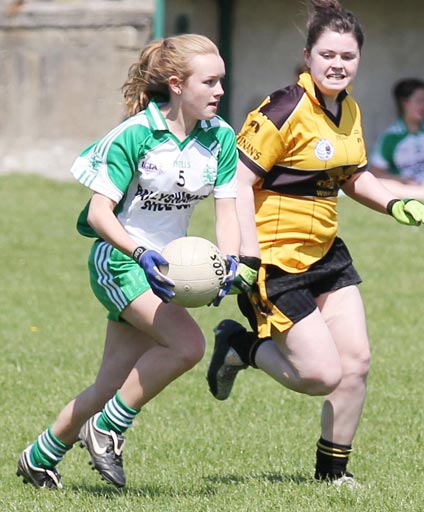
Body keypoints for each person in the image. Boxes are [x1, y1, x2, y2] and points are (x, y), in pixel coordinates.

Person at [206, 0, 424, 487]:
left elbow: (353, 175)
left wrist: (395, 203)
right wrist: (242, 258)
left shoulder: (348, 108)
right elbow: (236, 185)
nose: (337, 64)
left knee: (357, 363)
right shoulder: (283, 109)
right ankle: (239, 345)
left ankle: (332, 474)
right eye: (327, 54)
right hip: (273, 262)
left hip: (326, 256)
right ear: (308, 55)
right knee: (319, 375)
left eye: (348, 56)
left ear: (358, 61)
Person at [16, 33, 241, 490]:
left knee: (111, 383)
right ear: (177, 84)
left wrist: (228, 262)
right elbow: (100, 214)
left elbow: (228, 210)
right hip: (119, 261)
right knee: (188, 346)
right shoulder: (136, 135)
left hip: (165, 271)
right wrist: (140, 252)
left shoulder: (219, 138)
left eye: (222, 81)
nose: (220, 91)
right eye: (210, 81)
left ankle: (38, 458)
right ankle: (107, 428)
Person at [369, 78, 424, 200]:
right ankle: (423, 195)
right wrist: (399, 179)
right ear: (404, 103)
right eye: (419, 101)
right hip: (404, 187)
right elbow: (376, 172)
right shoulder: (391, 137)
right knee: (382, 184)